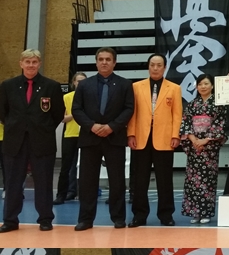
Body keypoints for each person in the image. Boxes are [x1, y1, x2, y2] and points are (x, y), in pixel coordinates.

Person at [0, 48, 65, 233]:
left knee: (44, 182)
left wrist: (42, 128)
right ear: (21, 63)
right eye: (27, 62)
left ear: (39, 64)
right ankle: (10, 220)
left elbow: (57, 113)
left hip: (42, 141)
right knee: (12, 182)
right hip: (15, 141)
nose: (31, 65)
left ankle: (45, 219)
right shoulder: (8, 85)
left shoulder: (51, 86)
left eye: (34, 62)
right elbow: (2, 112)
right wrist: (16, 126)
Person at [72, 47, 134, 231]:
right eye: (101, 59)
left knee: (117, 181)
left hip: (114, 138)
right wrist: (91, 125)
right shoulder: (85, 85)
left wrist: (111, 126)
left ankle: (118, 218)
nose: (104, 62)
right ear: (96, 62)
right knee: (87, 181)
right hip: (90, 138)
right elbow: (76, 109)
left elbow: (129, 109)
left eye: (108, 59)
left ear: (114, 62)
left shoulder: (125, 84)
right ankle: (85, 219)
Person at [125, 53, 182, 227]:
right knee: (139, 180)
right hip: (141, 137)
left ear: (165, 67)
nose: (155, 68)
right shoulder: (136, 87)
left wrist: (175, 135)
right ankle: (139, 215)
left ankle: (166, 215)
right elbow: (132, 113)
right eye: (152, 65)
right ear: (148, 67)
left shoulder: (174, 88)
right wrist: (131, 134)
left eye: (159, 65)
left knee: (164, 179)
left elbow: (177, 114)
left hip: (164, 138)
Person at [179, 73, 227, 224]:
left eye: (206, 84)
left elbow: (220, 123)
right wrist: (193, 139)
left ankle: (205, 212)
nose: (203, 87)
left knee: (207, 180)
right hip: (194, 147)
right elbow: (186, 123)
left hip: (209, 147)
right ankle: (195, 213)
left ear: (212, 86)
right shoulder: (192, 104)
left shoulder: (219, 104)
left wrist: (205, 140)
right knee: (193, 180)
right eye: (200, 84)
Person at [54, 71, 87, 205]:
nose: (80, 83)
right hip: (70, 134)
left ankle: (84, 193)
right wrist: (77, 113)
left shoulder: (91, 96)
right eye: (78, 81)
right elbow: (63, 118)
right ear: (74, 82)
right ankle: (63, 194)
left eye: (83, 81)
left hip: (86, 134)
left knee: (86, 166)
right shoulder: (67, 97)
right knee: (67, 166)